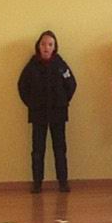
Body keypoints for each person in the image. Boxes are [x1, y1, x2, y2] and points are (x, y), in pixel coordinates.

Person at [17, 31, 76, 193]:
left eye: (50, 44)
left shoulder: (60, 65)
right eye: (43, 44)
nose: (46, 47)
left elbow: (71, 84)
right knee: (37, 150)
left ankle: (63, 181)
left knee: (60, 148)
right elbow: (22, 86)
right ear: (38, 46)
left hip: (58, 113)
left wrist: (63, 101)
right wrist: (32, 104)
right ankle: (37, 182)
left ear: (54, 47)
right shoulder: (32, 66)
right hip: (38, 113)